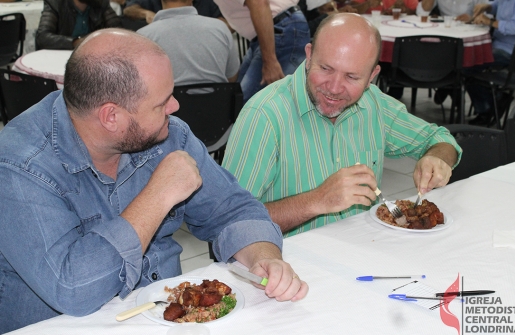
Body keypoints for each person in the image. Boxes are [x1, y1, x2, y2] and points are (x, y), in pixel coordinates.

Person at [0, 29, 308, 333]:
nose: (175, 107)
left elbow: (232, 209)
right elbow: (72, 289)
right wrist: (157, 196)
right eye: (162, 103)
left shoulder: (167, 134)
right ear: (111, 117)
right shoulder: (20, 166)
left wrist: (264, 256)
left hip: (164, 318)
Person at [222, 13, 461, 237]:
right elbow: (229, 222)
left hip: (365, 250)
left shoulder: (374, 105)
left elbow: (439, 138)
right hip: (287, 266)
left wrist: (437, 159)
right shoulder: (264, 115)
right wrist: (316, 200)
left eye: (352, 77)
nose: (334, 88)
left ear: (372, 77)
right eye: (325, 68)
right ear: (309, 56)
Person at [213, 0, 310, 102]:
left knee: (242, 105)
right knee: (235, 100)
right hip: (272, 32)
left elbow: (258, 2)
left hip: (279, 29)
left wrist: (270, 60)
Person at [137, 0, 239, 85]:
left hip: (168, 108)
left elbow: (140, 83)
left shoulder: (142, 37)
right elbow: (232, 77)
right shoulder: (221, 28)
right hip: (219, 106)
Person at [466, 0, 515, 126]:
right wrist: (488, 7)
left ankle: (488, 109)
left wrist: (490, 22)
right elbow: (498, 5)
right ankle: (496, 102)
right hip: (498, 45)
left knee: (467, 66)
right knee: (467, 62)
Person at [35, 0, 121, 50]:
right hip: (59, 58)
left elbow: (118, 31)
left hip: (91, 58)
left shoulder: (100, 2)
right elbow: (42, 37)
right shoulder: (55, 2)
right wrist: (76, 42)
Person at [123, 0, 224, 24]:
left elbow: (227, 21)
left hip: (203, 44)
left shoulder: (208, 2)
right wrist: (146, 13)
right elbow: (129, 9)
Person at [417, 0, 487, 23]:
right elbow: (421, 12)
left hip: (470, 33)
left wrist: (471, 18)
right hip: (444, 32)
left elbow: (486, 16)